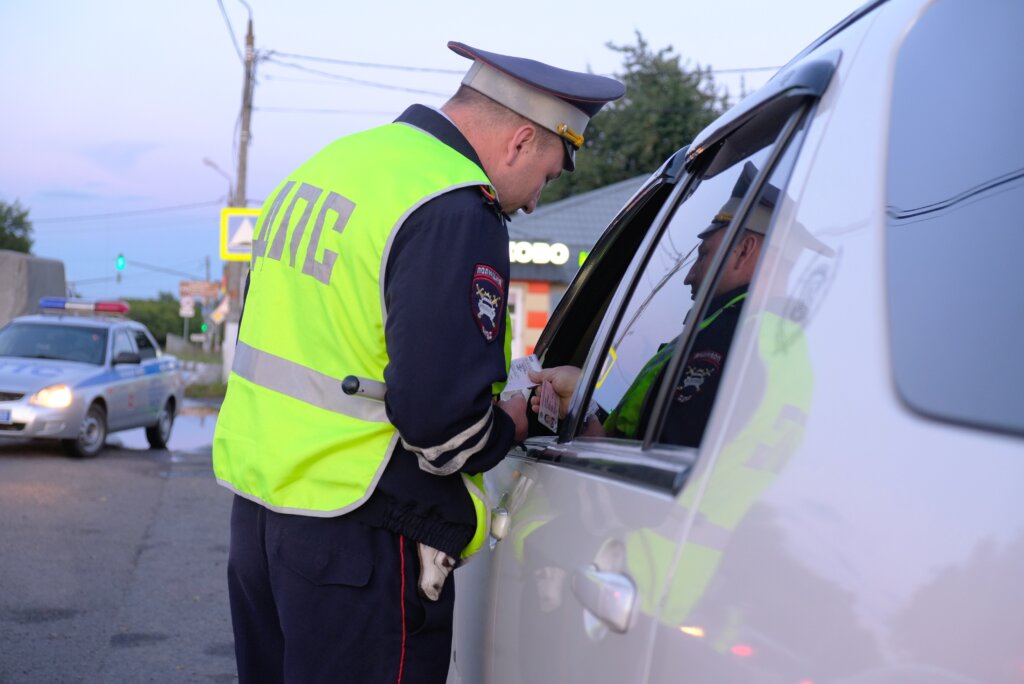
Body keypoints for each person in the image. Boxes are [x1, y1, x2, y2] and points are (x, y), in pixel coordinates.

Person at [211, 41, 624, 684]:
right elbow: (444, 426)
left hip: (263, 522)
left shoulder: (338, 164)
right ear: (519, 140)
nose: (535, 203)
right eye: (547, 175)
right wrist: (517, 416)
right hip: (364, 541)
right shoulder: (455, 205)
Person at [531, 162, 773, 447]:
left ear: (744, 250)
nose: (688, 276)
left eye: (703, 255)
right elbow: (637, 447)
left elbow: (645, 471)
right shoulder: (765, 335)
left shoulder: (727, 338)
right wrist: (584, 409)